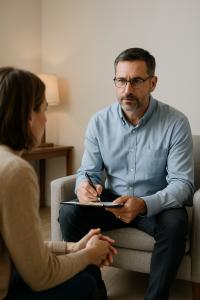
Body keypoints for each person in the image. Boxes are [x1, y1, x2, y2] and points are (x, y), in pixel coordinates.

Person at [59, 48, 194, 300]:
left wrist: (143, 204)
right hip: (112, 200)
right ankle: (94, 289)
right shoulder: (99, 122)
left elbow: (182, 183)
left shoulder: (176, 123)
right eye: (121, 80)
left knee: (176, 223)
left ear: (153, 83)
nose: (127, 89)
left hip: (155, 202)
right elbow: (88, 172)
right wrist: (84, 188)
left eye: (136, 81)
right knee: (69, 213)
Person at [0, 67, 117, 300]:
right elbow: (41, 275)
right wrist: (89, 255)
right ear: (28, 115)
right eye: (44, 109)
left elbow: (20, 243)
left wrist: (73, 248)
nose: (45, 118)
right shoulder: (16, 171)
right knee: (84, 283)